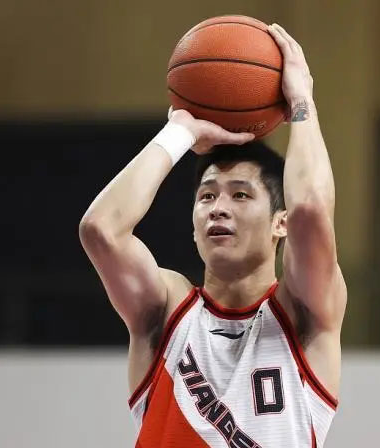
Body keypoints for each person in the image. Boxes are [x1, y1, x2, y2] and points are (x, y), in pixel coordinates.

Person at [79, 23, 346, 447]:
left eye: (240, 194)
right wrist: (181, 131)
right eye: (206, 196)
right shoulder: (166, 310)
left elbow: (311, 208)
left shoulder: (303, 314)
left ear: (281, 222)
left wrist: (301, 102)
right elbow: (101, 229)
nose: (218, 208)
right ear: (193, 224)